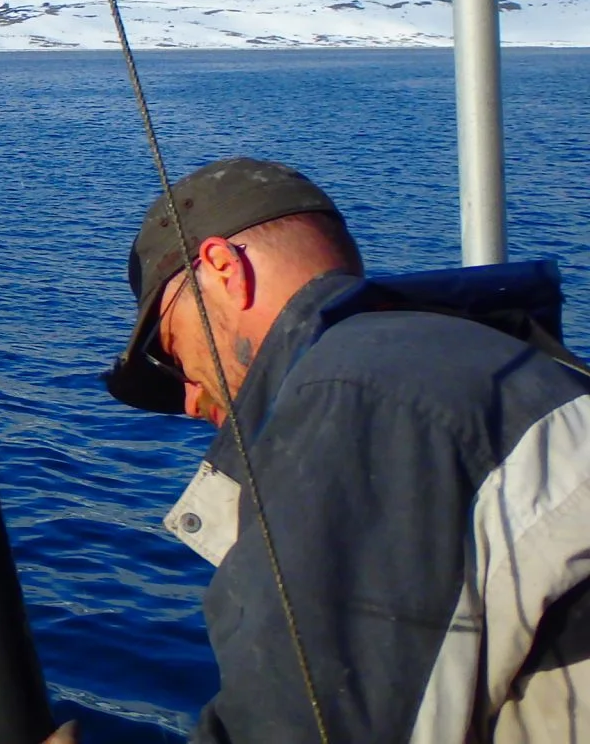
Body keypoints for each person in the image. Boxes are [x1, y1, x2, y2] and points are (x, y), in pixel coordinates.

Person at [100, 157, 590, 743]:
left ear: (224, 269)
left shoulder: (356, 393)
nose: (185, 398)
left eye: (166, 348)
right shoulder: (494, 370)